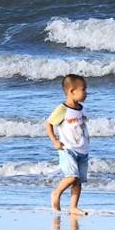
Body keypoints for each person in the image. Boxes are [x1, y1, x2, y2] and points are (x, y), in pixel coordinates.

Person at [44, 73, 89, 215]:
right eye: (83, 89)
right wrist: (55, 141)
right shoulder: (63, 109)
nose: (86, 93)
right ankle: (56, 193)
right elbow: (49, 123)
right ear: (71, 91)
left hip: (82, 149)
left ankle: (73, 207)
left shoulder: (81, 108)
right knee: (72, 176)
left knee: (78, 181)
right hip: (67, 149)